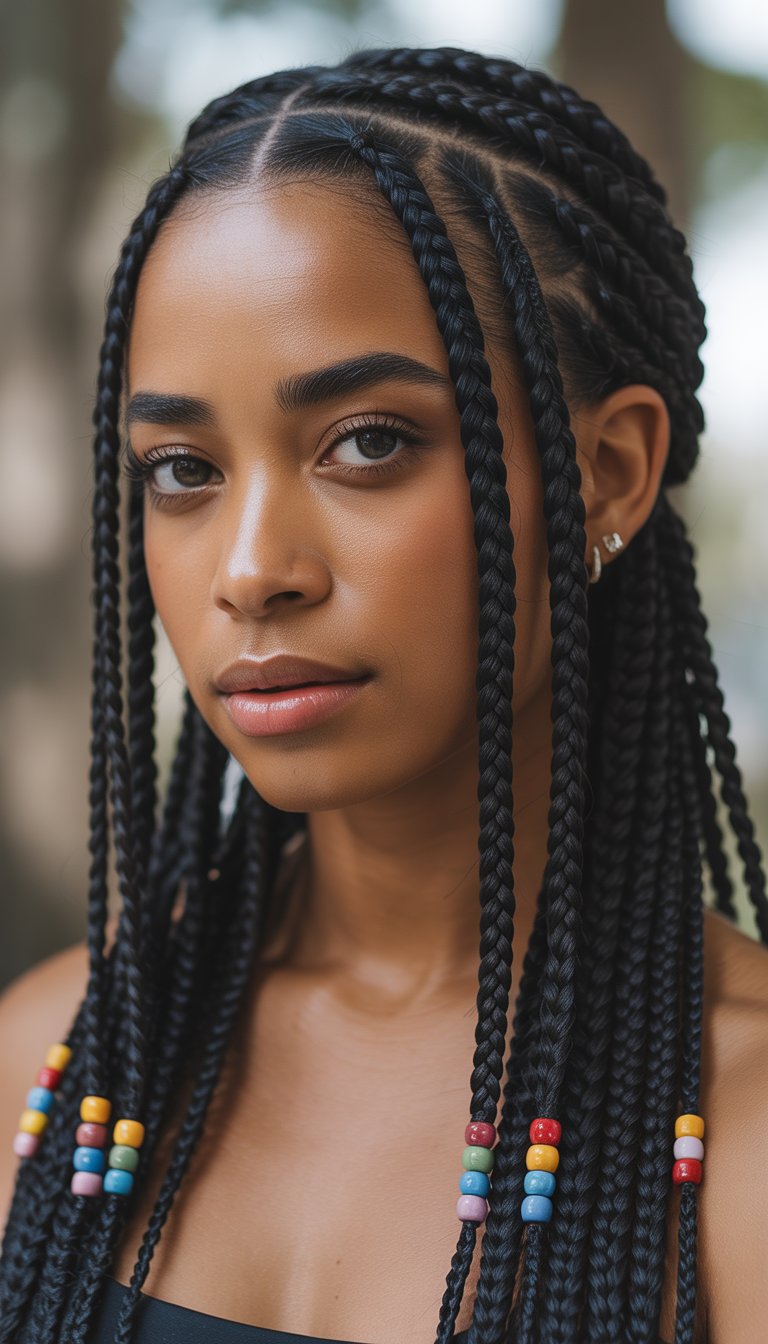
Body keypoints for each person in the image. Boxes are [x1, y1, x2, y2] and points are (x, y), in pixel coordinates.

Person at [0, 43, 766, 1344]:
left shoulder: (738, 1132)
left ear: (613, 472)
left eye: (368, 444)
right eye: (183, 469)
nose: (252, 572)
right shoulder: (52, 1061)